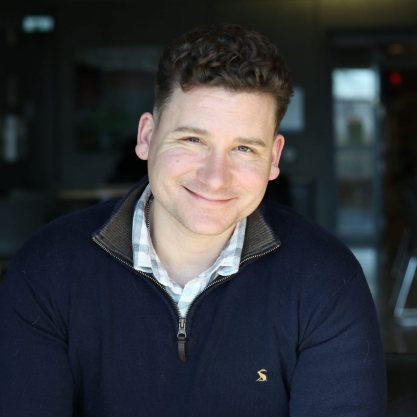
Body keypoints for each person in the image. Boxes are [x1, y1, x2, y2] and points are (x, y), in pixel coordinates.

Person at [0, 24, 386, 416]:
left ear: (273, 158)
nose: (215, 177)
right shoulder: (47, 269)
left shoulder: (326, 280)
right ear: (147, 136)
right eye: (192, 140)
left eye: (243, 148)